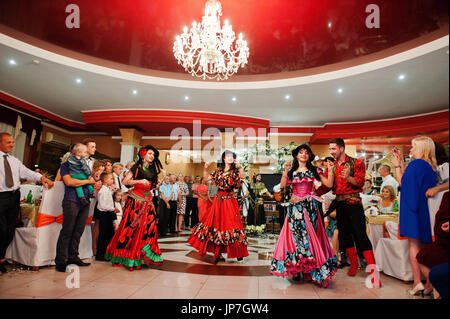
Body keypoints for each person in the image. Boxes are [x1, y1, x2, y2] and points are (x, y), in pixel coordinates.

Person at [270, 144, 337, 287]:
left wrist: (330, 171)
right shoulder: (292, 171)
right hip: (295, 208)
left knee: (310, 237)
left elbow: (329, 184)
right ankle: (298, 268)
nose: (303, 155)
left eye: (306, 153)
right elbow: (282, 186)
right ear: (296, 155)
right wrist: (285, 170)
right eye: (301, 152)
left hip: (310, 207)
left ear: (309, 156)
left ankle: (310, 270)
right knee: (296, 237)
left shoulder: (314, 170)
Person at [328, 138, 380, 287]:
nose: (331, 152)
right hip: (340, 203)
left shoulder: (357, 163)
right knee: (344, 235)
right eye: (330, 149)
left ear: (342, 149)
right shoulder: (332, 165)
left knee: (361, 236)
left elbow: (360, 183)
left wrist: (348, 177)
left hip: (354, 202)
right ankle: (353, 264)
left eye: (333, 149)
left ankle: (374, 272)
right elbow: (329, 186)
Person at [0, 132, 54, 273]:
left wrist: (42, 178)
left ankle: (1, 258)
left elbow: (26, 172)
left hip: (13, 196)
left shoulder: (13, 160)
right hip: (0, 196)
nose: (12, 145)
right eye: (8, 142)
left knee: (10, 228)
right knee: (1, 228)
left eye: (12, 142)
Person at [105, 145, 164, 271]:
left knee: (149, 228)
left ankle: (141, 255)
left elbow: (152, 187)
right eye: (149, 153)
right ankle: (129, 256)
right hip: (135, 202)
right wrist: (139, 181)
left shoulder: (153, 170)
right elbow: (126, 182)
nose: (152, 156)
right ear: (143, 155)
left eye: (153, 154)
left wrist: (160, 181)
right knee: (131, 229)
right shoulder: (136, 167)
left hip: (148, 202)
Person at [391, 136, 438, 295]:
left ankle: (419, 282)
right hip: (423, 208)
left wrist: (397, 165)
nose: (411, 150)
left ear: (422, 150)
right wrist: (402, 164)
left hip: (412, 208)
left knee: (414, 246)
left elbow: (403, 183)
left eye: (413, 147)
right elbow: (411, 181)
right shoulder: (430, 166)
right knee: (425, 247)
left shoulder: (416, 164)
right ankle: (429, 284)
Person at [188, 150, 248, 264]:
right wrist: (205, 169)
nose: (230, 158)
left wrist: (240, 167)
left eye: (232, 156)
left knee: (232, 224)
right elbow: (206, 180)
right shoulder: (218, 171)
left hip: (230, 200)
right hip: (218, 200)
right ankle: (218, 253)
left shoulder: (235, 171)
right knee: (217, 224)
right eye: (228, 156)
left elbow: (243, 177)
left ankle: (238, 251)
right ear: (224, 159)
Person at [55, 150, 97, 272]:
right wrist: (87, 181)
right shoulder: (65, 166)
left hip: (85, 202)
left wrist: (92, 183)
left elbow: (92, 180)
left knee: (78, 231)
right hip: (71, 200)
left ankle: (73, 257)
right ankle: (61, 261)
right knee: (67, 231)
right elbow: (70, 182)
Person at [416, 191, 449, 297]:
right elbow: (440, 218)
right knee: (423, 254)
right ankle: (433, 286)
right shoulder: (446, 195)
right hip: (443, 241)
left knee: (437, 273)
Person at [95, 172, 117, 261]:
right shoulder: (103, 191)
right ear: (104, 180)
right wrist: (113, 208)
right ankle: (100, 255)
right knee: (103, 235)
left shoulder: (107, 189)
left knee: (109, 234)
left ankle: (107, 253)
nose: (113, 180)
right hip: (104, 214)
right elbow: (103, 205)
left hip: (108, 214)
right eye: (111, 178)